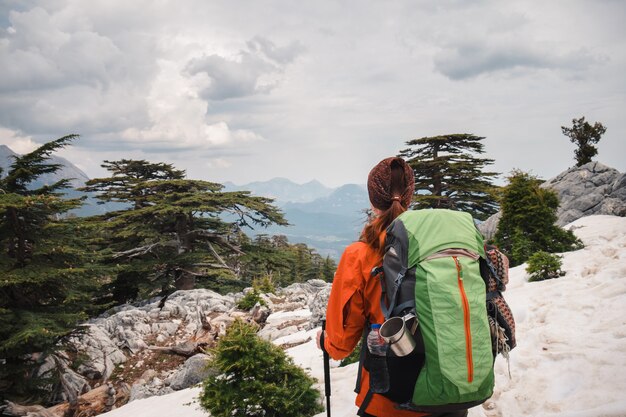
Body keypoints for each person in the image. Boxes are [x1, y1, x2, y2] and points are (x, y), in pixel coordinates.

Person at [316, 157, 468, 417]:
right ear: (410, 196)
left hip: (391, 397)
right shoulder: (442, 248)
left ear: (373, 202)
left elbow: (342, 342)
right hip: (450, 391)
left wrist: (325, 342)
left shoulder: (360, 254)